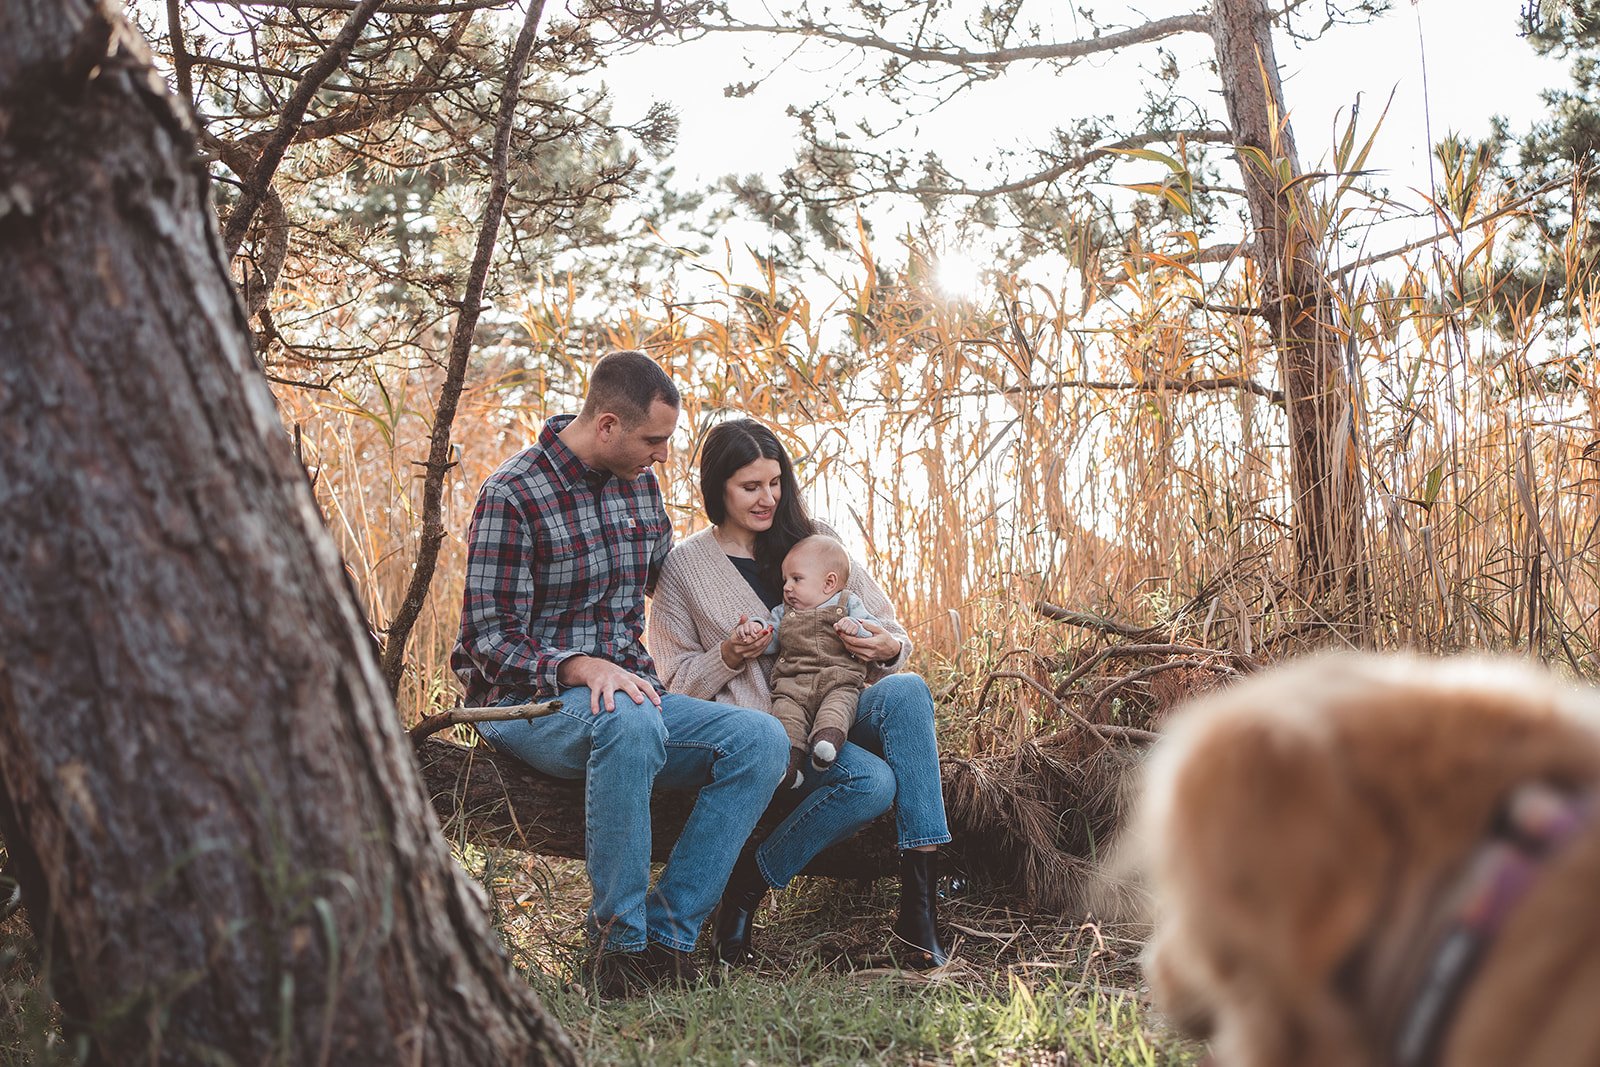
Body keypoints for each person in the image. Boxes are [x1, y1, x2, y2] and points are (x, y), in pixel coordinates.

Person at [451, 352, 789, 996]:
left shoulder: (639, 484)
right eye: (654, 440)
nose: (663, 456)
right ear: (606, 425)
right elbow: (487, 639)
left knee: (760, 741)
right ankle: (617, 947)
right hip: (527, 705)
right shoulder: (512, 494)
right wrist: (579, 665)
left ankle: (668, 936)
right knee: (630, 721)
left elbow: (679, 575)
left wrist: (787, 560)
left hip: (632, 695)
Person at [645, 418, 952, 969]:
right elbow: (672, 677)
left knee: (907, 689)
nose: (767, 498)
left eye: (775, 482)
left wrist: (882, 647)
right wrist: (730, 655)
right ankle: (747, 885)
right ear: (717, 487)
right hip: (774, 732)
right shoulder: (686, 567)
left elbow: (892, 631)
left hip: (845, 702)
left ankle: (918, 908)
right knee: (873, 782)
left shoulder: (817, 539)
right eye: (750, 486)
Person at [733, 534, 883, 787]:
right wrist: (755, 630)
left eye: (796, 579)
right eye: (785, 581)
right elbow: (771, 640)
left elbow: (874, 632)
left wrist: (856, 627)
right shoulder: (783, 613)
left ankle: (827, 742)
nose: (787, 587)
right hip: (793, 686)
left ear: (828, 583)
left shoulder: (848, 604)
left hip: (839, 681)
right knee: (786, 717)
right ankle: (789, 767)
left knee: (838, 707)